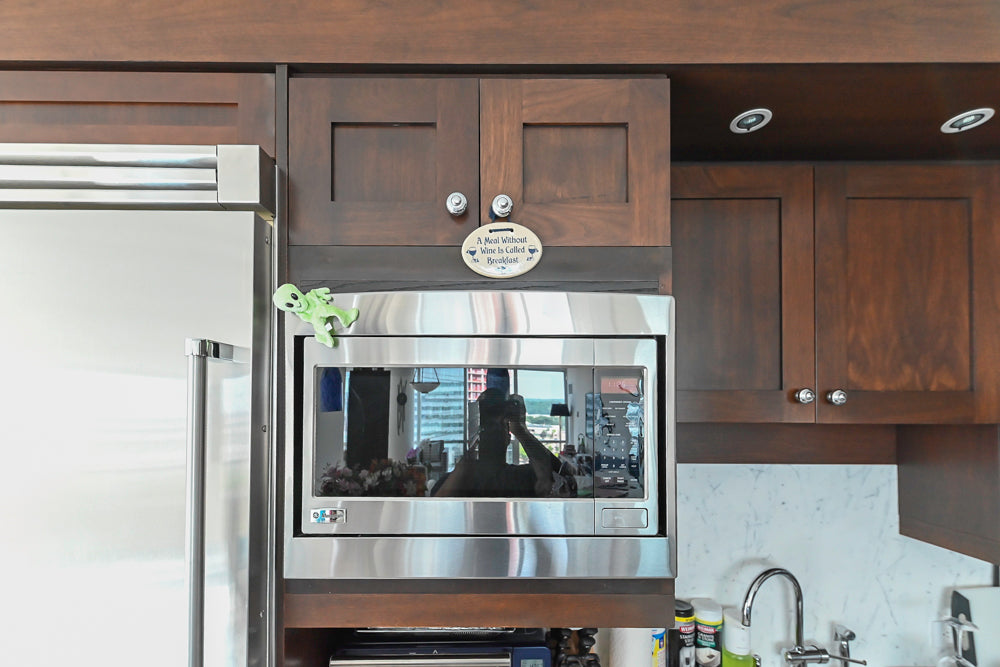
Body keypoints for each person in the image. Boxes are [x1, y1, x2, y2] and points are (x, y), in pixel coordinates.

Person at [431, 388, 575, 498]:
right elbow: (564, 478)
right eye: (486, 425)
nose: (492, 431)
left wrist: (520, 430)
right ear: (507, 438)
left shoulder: (452, 480)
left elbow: (564, 480)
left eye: (498, 426)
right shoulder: (524, 478)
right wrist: (521, 431)